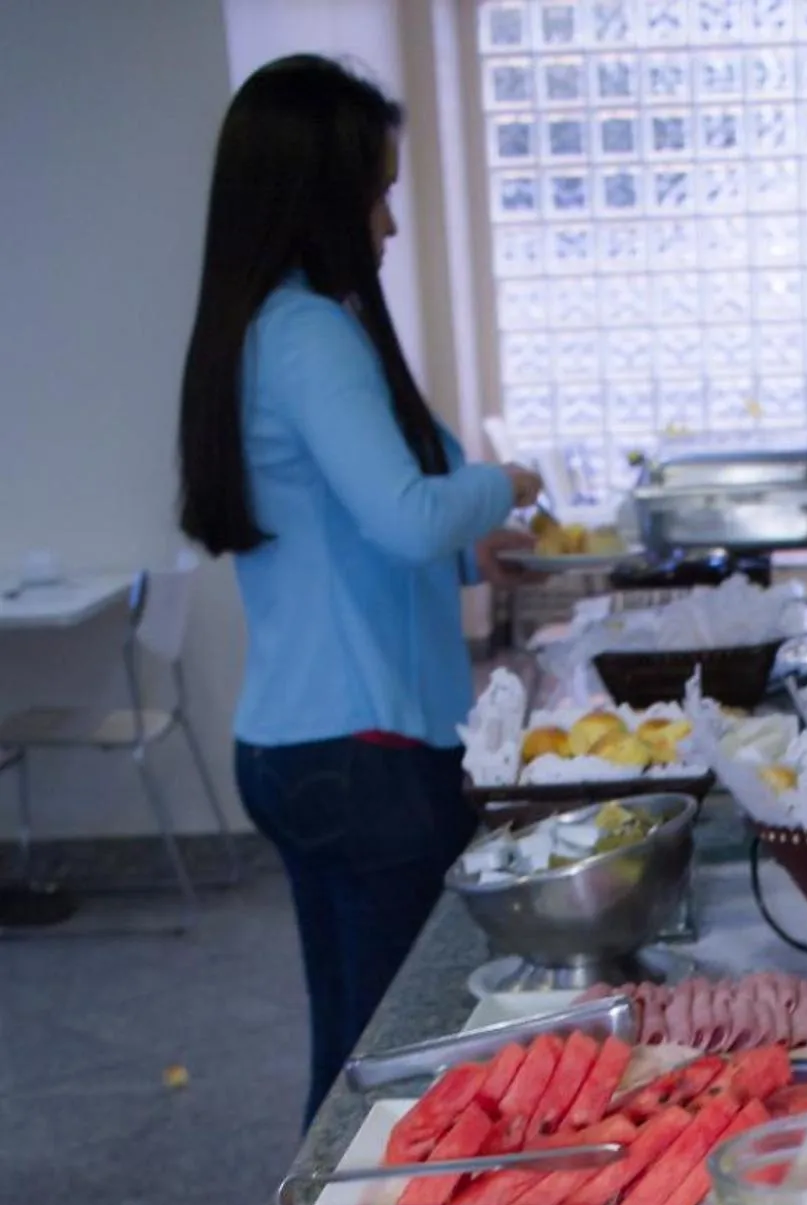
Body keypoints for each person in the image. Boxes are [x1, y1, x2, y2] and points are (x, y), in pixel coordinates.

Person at [178, 54, 540, 1122]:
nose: (387, 223)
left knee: (353, 1054)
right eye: (376, 193)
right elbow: (408, 513)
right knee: (393, 1066)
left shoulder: (265, 325)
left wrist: (473, 551)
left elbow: (347, 527)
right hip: (363, 752)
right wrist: (504, 483)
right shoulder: (309, 334)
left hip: (302, 745)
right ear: (319, 195)